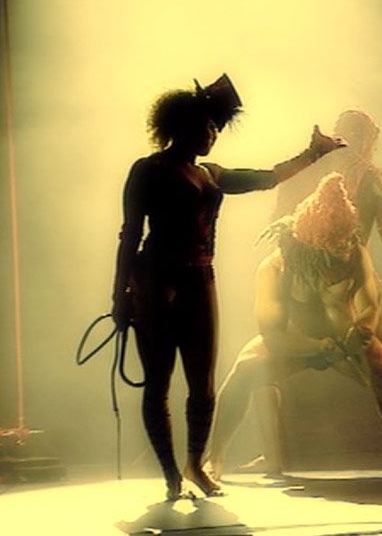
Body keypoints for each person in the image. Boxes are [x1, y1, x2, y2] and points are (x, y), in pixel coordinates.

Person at [111, 75, 344, 500]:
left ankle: (194, 465)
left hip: (200, 280)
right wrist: (120, 297)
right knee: (158, 383)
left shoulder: (211, 174)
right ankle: (171, 476)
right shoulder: (149, 170)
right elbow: (130, 234)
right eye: (206, 127)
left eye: (215, 127)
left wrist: (314, 153)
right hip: (155, 281)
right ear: (179, 126)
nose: (212, 134)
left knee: (203, 384)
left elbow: (268, 178)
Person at [204, 173, 382, 477]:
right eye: (336, 246)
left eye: (346, 242)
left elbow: (369, 304)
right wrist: (316, 347)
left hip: (345, 341)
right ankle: (215, 459)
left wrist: (363, 328)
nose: (344, 249)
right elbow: (272, 334)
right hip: (297, 343)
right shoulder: (274, 268)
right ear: (311, 243)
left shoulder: (354, 254)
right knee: (245, 367)